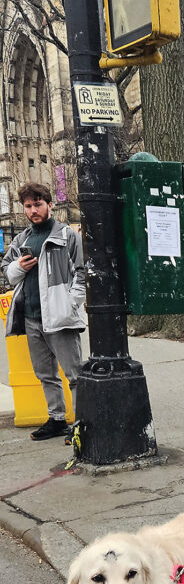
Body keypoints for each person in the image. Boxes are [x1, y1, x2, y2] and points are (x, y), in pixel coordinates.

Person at [1, 182, 85, 440]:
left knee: (75, 375)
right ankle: (57, 419)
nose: (33, 210)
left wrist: (72, 303)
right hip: (31, 318)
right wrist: (19, 266)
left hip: (61, 317)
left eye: (38, 204)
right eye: (28, 206)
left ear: (49, 204)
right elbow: (7, 273)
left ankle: (83, 424)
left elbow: (81, 272)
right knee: (45, 374)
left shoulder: (67, 235)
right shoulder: (21, 239)